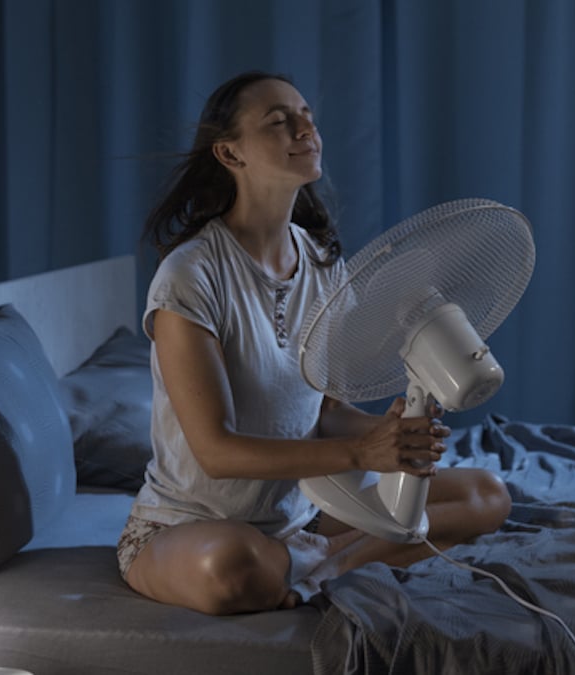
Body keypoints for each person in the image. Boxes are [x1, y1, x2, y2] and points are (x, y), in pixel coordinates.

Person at [118, 71, 511, 615]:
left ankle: (316, 565)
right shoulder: (190, 276)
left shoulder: (322, 263)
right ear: (230, 153)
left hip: (299, 514)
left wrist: (389, 436)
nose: (307, 129)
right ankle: (331, 562)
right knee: (231, 570)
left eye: (308, 117)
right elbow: (215, 451)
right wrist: (360, 453)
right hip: (195, 526)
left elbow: (321, 407)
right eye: (280, 122)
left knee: (487, 494)